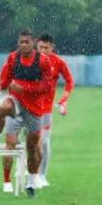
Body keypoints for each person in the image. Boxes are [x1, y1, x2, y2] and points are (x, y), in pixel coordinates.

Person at [0, 30, 55, 198]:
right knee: (10, 139)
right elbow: (5, 80)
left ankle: (32, 179)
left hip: (35, 108)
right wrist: (1, 87)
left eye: (27, 42)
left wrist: (26, 89)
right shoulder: (13, 58)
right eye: (21, 42)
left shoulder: (43, 61)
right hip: (16, 105)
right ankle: (6, 179)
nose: (24, 45)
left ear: (33, 43)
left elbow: (48, 86)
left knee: (32, 146)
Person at [35, 33, 73, 188]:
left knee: (43, 142)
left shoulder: (58, 62)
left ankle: (42, 175)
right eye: (40, 47)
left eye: (46, 47)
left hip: (45, 110)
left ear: (52, 47)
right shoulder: (30, 60)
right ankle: (28, 171)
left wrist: (63, 100)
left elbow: (69, 82)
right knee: (28, 142)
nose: (43, 50)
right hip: (28, 109)